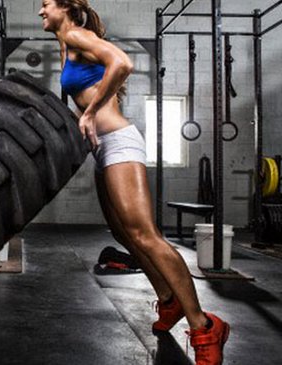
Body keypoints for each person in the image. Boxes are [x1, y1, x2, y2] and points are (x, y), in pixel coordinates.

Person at [38, 1, 230, 364]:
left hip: (120, 142)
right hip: (104, 148)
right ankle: (169, 300)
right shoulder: (66, 43)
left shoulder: (79, 36)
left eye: (45, 4)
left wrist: (91, 113)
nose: (40, 11)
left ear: (65, 6)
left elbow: (123, 63)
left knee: (145, 235)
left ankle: (205, 326)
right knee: (123, 234)